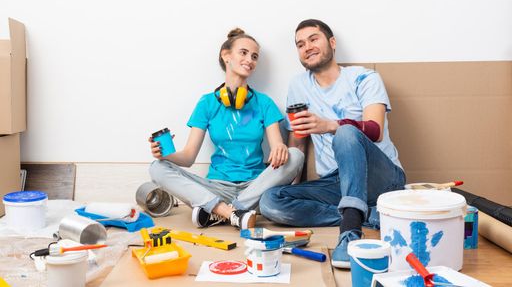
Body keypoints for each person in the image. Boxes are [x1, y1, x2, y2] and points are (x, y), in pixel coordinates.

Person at [259, 19, 405, 268]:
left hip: (381, 177)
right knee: (270, 201)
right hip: (336, 182)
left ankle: (350, 231)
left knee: (346, 133)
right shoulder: (298, 85)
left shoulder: (363, 78)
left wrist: (330, 125)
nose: (307, 47)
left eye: (314, 39)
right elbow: (298, 142)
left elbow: (375, 130)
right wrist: (296, 187)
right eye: (300, 44)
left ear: (332, 43)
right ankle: (367, 215)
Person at [148, 28, 304, 230]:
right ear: (226, 55)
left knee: (296, 156)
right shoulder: (206, 103)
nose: (250, 60)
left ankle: (218, 212)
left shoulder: (264, 103)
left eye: (254, 56)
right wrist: (164, 155)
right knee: (156, 168)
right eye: (244, 53)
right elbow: (188, 158)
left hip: (255, 187)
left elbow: (277, 146)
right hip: (216, 187)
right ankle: (230, 213)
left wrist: (280, 148)